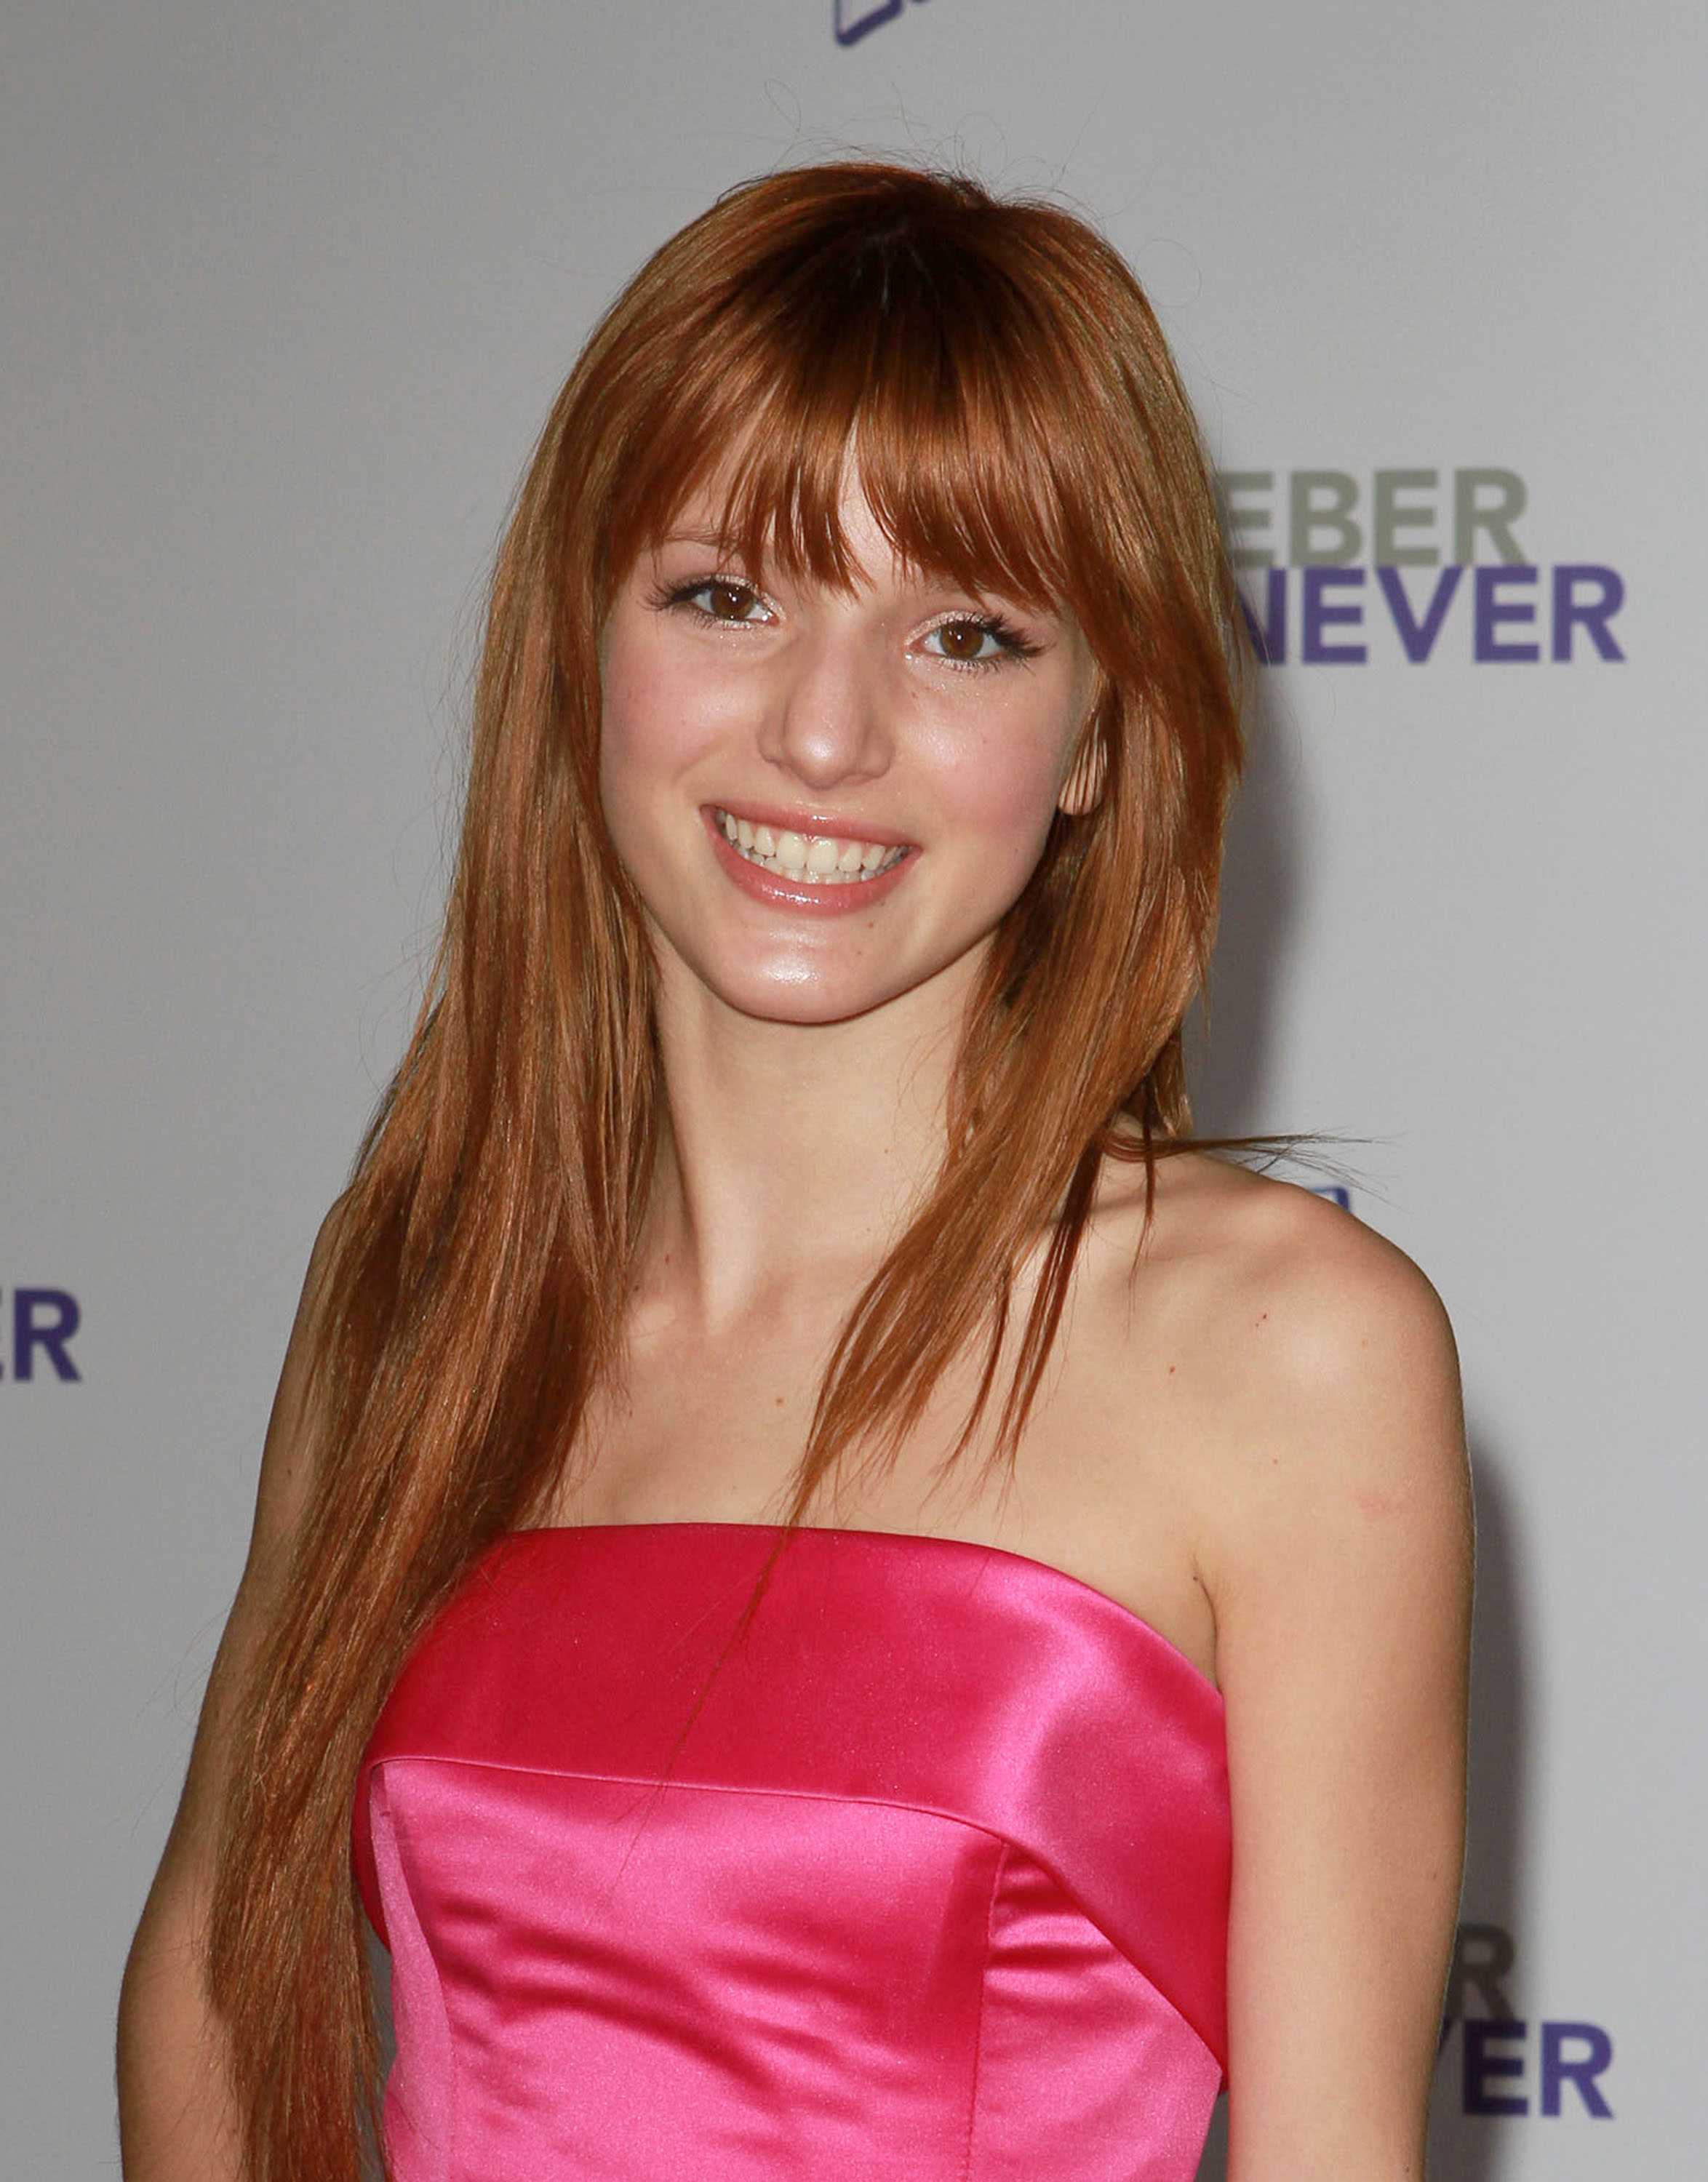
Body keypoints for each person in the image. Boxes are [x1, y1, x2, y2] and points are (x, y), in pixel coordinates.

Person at [117, 160, 1472, 2182]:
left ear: (1101, 738)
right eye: (726, 596)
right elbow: (218, 1993)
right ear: (579, 646)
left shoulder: (1286, 1349)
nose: (825, 734)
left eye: (968, 635)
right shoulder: (420, 1290)